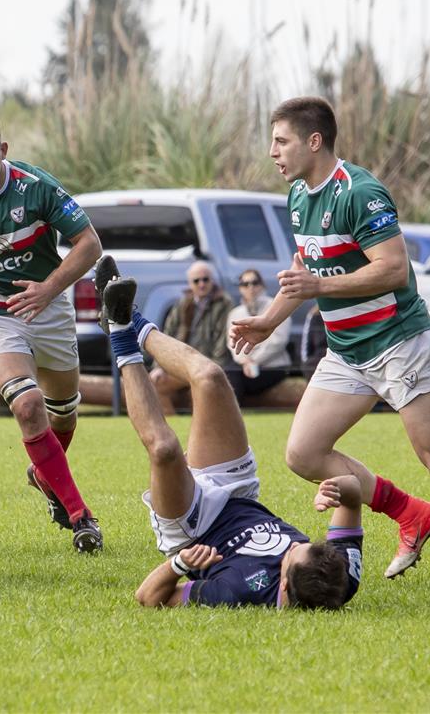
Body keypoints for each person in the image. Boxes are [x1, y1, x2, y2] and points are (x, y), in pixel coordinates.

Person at [230, 96, 430, 589]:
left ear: (313, 141)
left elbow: (393, 269)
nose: (272, 151)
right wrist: (268, 320)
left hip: (399, 343)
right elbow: (305, 271)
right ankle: (411, 514)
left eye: (281, 141)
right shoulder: (298, 197)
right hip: (347, 351)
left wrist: (318, 288)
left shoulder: (360, 192)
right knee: (304, 454)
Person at [93, 259, 364, 610]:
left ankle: (118, 329)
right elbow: (355, 495)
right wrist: (338, 488)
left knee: (164, 449)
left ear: (283, 583)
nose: (294, 543)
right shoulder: (341, 574)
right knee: (211, 377)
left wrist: (179, 565)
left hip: (193, 526)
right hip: (238, 493)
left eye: (292, 552)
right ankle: (131, 315)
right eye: (302, 543)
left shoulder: (239, 592)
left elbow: (148, 598)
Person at [0, 110, 105, 553]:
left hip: (47, 310)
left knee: (63, 411)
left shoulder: (36, 187)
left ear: (2, 151)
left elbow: (90, 244)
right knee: (28, 406)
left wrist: (48, 289)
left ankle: (42, 475)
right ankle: (80, 515)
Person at [150, 260, 235, 413]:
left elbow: (222, 343)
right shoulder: (182, 304)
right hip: (182, 364)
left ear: (212, 281)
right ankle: (174, 429)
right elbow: (166, 337)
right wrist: (159, 367)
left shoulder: (224, 303)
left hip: (206, 365)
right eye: (196, 281)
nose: (201, 284)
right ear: (190, 283)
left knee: (198, 393)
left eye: (205, 279)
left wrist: (211, 372)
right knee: (154, 383)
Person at [224, 269, 292, 403]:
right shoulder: (235, 313)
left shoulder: (275, 307)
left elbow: (278, 342)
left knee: (235, 379)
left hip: (272, 365)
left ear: (262, 285)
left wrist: (254, 361)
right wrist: (245, 361)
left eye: (255, 283)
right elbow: (231, 343)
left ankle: (230, 414)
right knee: (228, 372)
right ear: (240, 288)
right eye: (245, 284)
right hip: (244, 365)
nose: (250, 287)